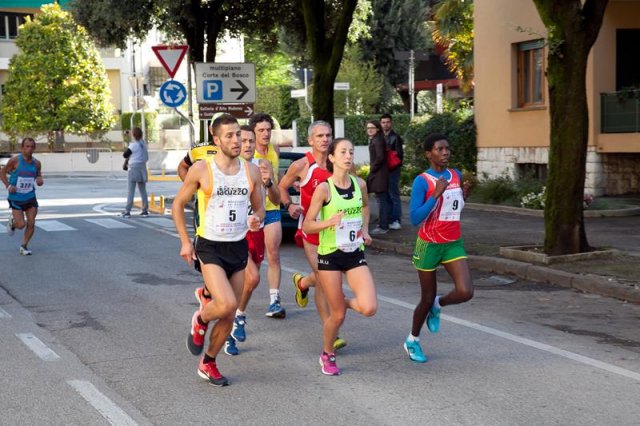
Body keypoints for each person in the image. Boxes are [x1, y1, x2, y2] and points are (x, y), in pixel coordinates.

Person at [172, 114, 265, 386]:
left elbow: (258, 206)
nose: (236, 140)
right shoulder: (202, 169)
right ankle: (200, 318)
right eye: (229, 136)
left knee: (228, 313)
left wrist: (256, 218)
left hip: (238, 246)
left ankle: (209, 361)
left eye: (238, 134)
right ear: (216, 140)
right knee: (226, 304)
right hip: (210, 246)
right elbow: (178, 205)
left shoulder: (251, 171)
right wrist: (185, 241)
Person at [302, 138, 377, 376]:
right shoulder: (324, 189)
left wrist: (364, 229)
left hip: (354, 252)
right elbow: (308, 226)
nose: (348, 156)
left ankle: (337, 299)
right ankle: (327, 354)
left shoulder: (360, 185)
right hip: (330, 256)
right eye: (343, 152)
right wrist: (329, 222)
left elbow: (365, 207)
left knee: (369, 307)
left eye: (351, 151)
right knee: (338, 315)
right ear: (332, 158)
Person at [404, 133, 474, 363]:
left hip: (453, 242)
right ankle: (412, 340)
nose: (445, 153)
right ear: (429, 154)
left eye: (447, 149)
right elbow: (415, 218)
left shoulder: (455, 175)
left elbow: (454, 210)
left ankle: (439, 304)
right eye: (440, 149)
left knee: (465, 292)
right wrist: (435, 195)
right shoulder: (422, 181)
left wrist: (463, 196)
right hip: (429, 245)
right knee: (426, 297)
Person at [278, 121, 347, 352]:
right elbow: (281, 187)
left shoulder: (338, 161)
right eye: (319, 136)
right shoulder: (301, 165)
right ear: (310, 140)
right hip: (311, 229)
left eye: (328, 135)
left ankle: (303, 282)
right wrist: (289, 205)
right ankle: (331, 332)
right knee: (325, 278)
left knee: (326, 279)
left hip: (337, 231)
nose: (325, 139)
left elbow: (354, 189)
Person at [223, 124, 280, 356]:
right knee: (251, 276)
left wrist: (269, 183)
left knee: (248, 283)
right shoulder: (226, 168)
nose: (247, 145)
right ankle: (230, 324)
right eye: (242, 140)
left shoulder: (261, 166)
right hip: (232, 233)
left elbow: (275, 200)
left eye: (250, 141)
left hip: (255, 231)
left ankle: (238, 315)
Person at [177, 132, 219, 323]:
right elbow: (182, 166)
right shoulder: (198, 149)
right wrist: (191, 185)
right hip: (204, 208)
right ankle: (209, 292)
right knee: (206, 247)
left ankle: (209, 292)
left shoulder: (238, 154)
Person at [249, 113, 285, 318]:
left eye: (268, 130)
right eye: (261, 130)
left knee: (273, 253)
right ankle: (238, 300)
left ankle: (274, 300)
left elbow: (277, 182)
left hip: (271, 208)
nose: (265, 134)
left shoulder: (275, 150)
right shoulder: (247, 151)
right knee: (250, 259)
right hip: (251, 211)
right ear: (253, 132)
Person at [1, 137, 43, 255]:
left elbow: (38, 174)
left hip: (30, 197)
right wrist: (8, 186)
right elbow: (2, 172)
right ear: (22, 148)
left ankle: (24, 246)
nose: (29, 149)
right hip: (16, 198)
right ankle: (13, 223)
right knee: (21, 225)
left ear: (34, 148)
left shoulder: (37, 163)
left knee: (31, 222)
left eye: (32, 147)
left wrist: (39, 179)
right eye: (27, 146)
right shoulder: (15, 161)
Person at [365, 120, 390, 235]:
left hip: (379, 175)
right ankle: (384, 224)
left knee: (382, 201)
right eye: (368, 128)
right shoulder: (376, 139)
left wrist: (372, 170)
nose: (369, 129)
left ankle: (383, 226)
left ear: (378, 129)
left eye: (372, 128)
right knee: (382, 200)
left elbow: (380, 158)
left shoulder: (377, 140)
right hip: (380, 174)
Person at [380, 113, 403, 230]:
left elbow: (399, 156)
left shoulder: (396, 137)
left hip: (393, 170)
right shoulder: (380, 137)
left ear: (391, 123)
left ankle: (396, 220)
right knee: (387, 195)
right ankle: (390, 219)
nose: (385, 124)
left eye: (387, 122)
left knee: (394, 195)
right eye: (383, 122)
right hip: (384, 171)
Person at [121, 127, 149, 218]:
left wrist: (127, 141)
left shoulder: (133, 145)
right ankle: (145, 210)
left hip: (133, 168)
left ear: (133, 135)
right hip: (142, 167)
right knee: (142, 190)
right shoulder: (143, 144)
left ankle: (127, 210)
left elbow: (125, 155)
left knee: (131, 190)